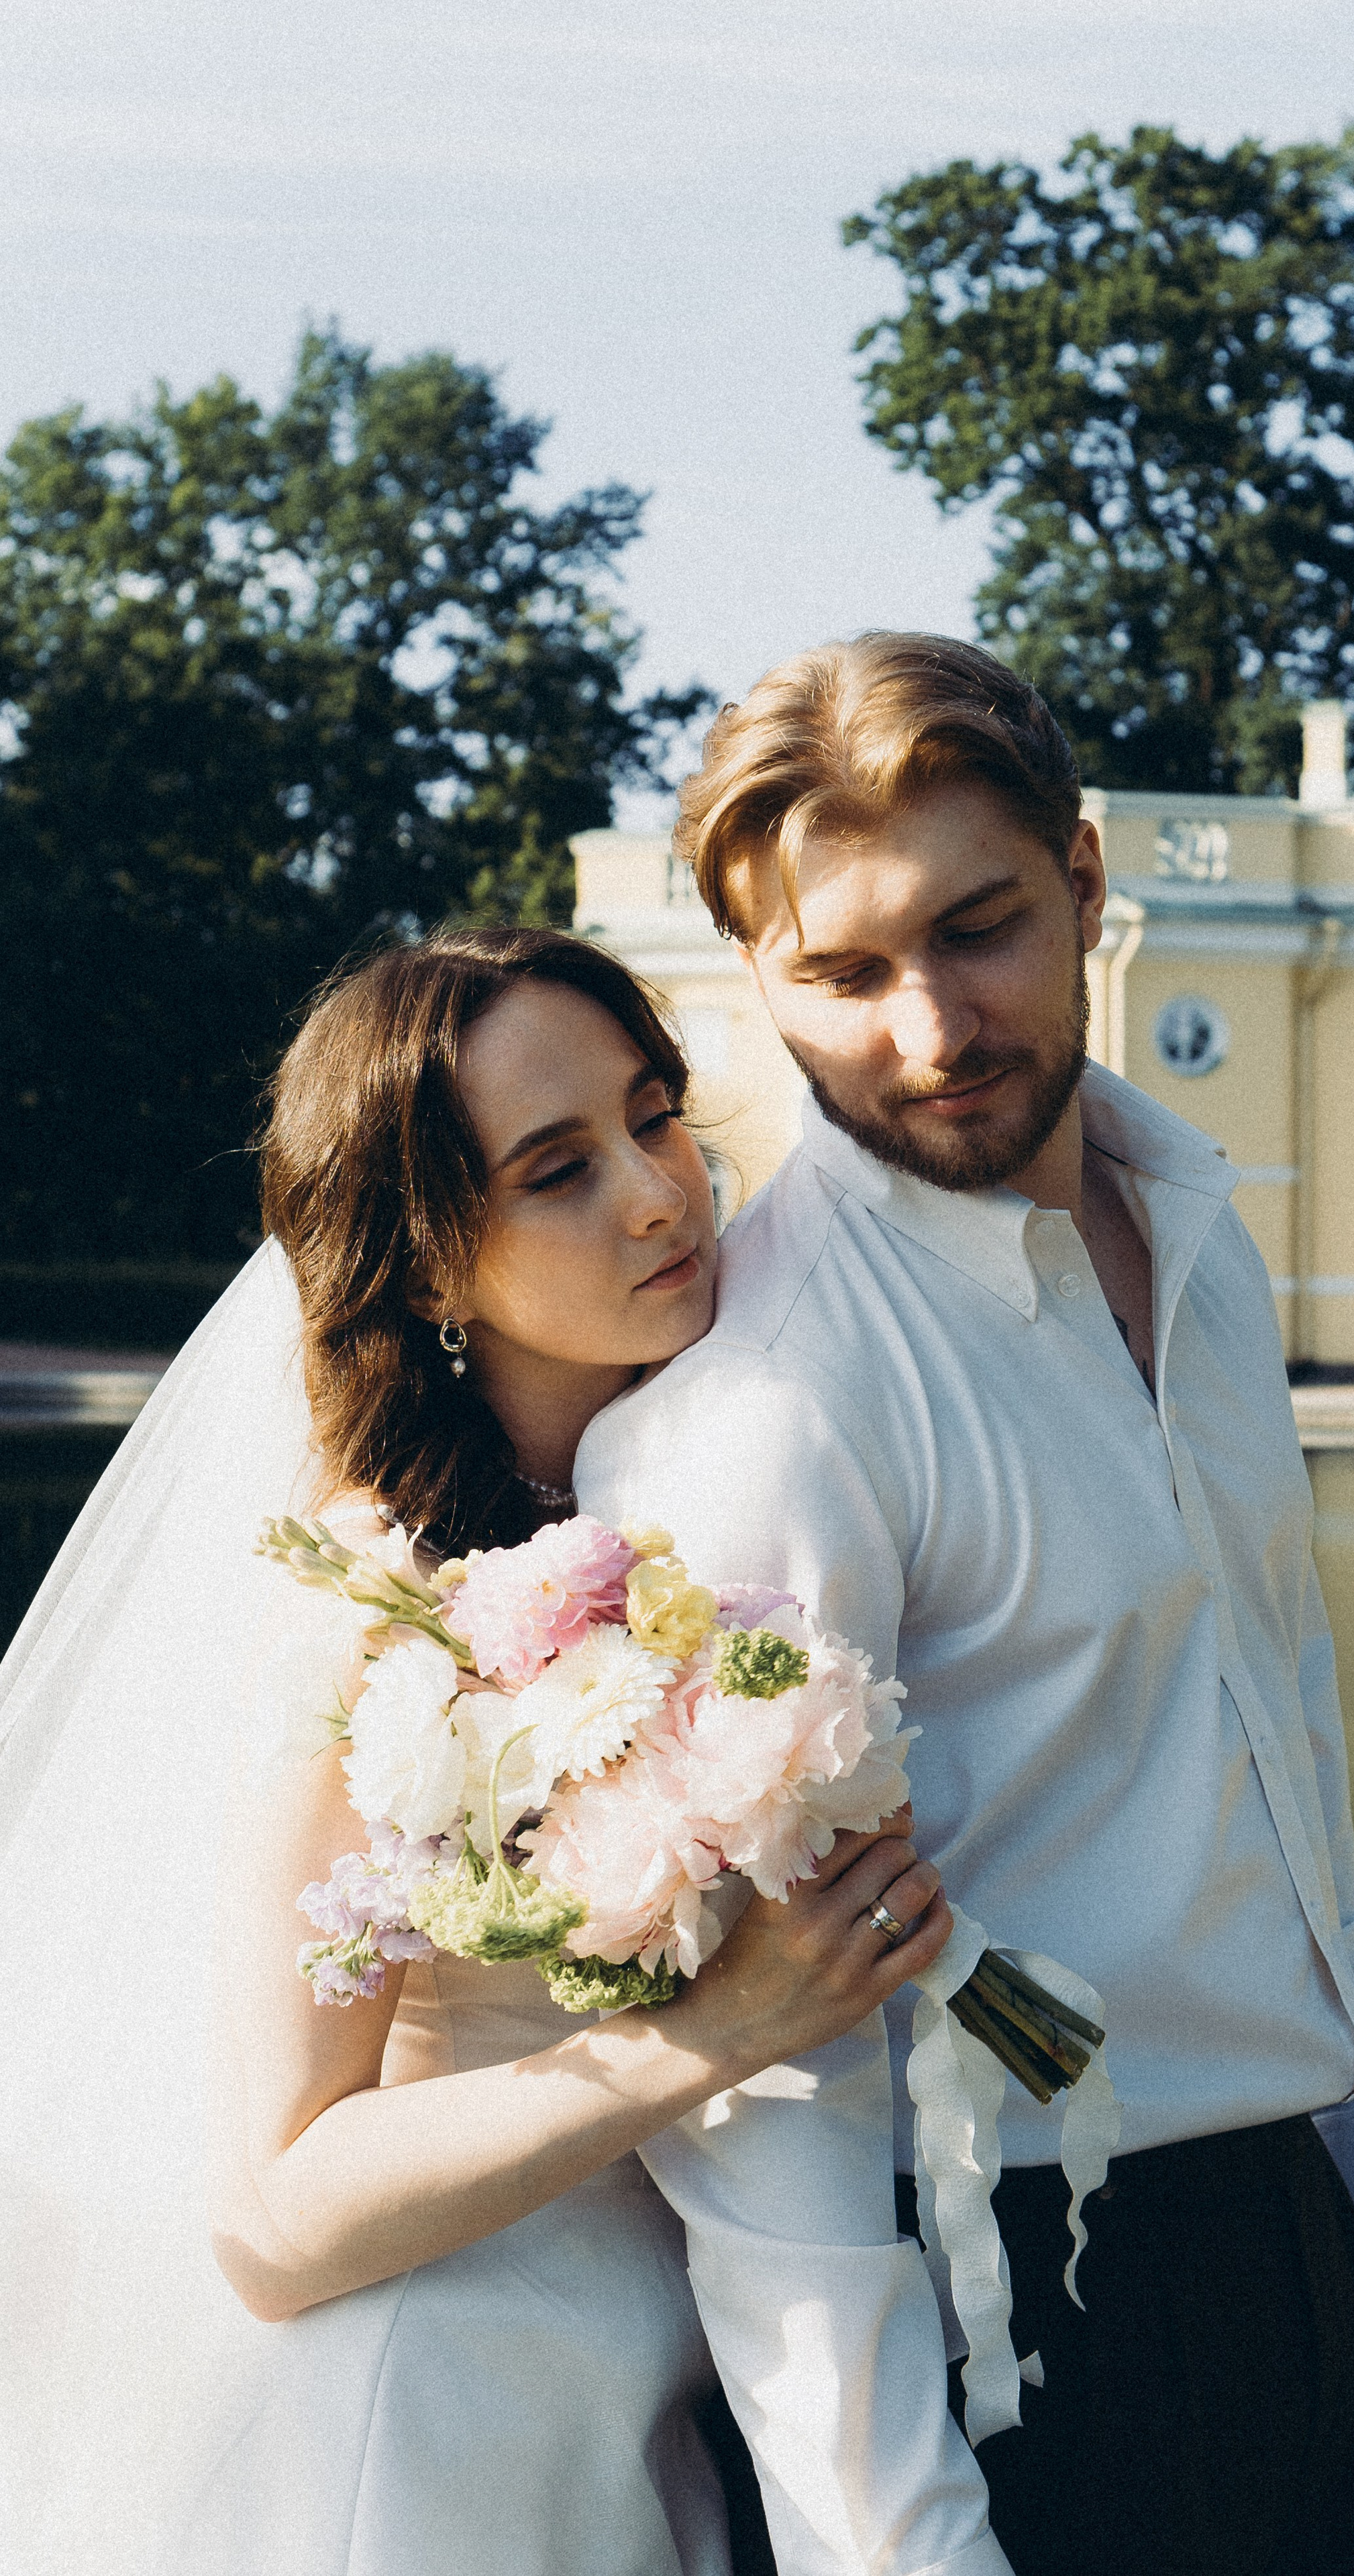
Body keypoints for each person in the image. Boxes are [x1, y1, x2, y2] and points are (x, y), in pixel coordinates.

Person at [574, 635, 1354, 2576]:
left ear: (1084, 881)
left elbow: (1287, 1725)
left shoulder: (1195, 1233)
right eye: (842, 973)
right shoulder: (769, 1412)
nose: (927, 1029)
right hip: (1011, 2320)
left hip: (1281, 2234)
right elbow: (768, 2106)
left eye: (977, 930)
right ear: (757, 981)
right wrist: (897, 2551)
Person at [0, 925, 1002, 2576]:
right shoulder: (368, 1616)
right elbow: (271, 2216)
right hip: (431, 2426)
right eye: (557, 1169)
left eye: (655, 1113)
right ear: (429, 1263)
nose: (661, 1193)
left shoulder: (665, 1513)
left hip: (636, 2387)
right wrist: (716, 2032)